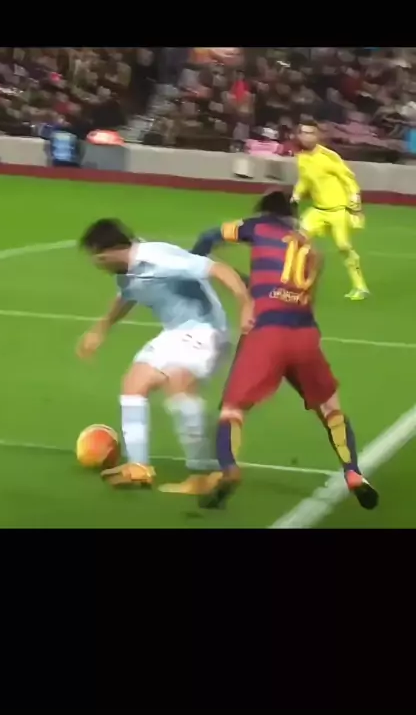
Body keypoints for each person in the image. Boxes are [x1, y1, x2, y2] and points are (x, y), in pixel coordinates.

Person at [191, 190, 379, 511]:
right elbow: (297, 296)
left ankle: (229, 469)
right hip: (304, 335)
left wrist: (193, 263)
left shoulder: (257, 227)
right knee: (330, 408)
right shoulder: (312, 249)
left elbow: (210, 236)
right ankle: (353, 473)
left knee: (232, 409)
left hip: (267, 334)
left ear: (264, 211)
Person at [77, 219, 253, 491]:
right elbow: (126, 295)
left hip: (205, 332)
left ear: (111, 251)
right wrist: (101, 328)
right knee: (134, 384)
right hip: (175, 333)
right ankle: (138, 467)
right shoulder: (127, 270)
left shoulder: (158, 259)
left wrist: (245, 303)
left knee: (178, 383)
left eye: (97, 257)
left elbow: (217, 269)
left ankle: (203, 474)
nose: (96, 264)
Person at [291, 119, 369, 300]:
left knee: (343, 246)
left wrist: (354, 198)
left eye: (311, 133)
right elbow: (305, 180)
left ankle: (360, 286)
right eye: (304, 133)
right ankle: (297, 282)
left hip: (338, 210)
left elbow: (348, 178)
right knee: (297, 240)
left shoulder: (329, 157)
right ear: (299, 135)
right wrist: (296, 194)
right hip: (318, 210)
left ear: (318, 136)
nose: (307, 137)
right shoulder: (301, 157)